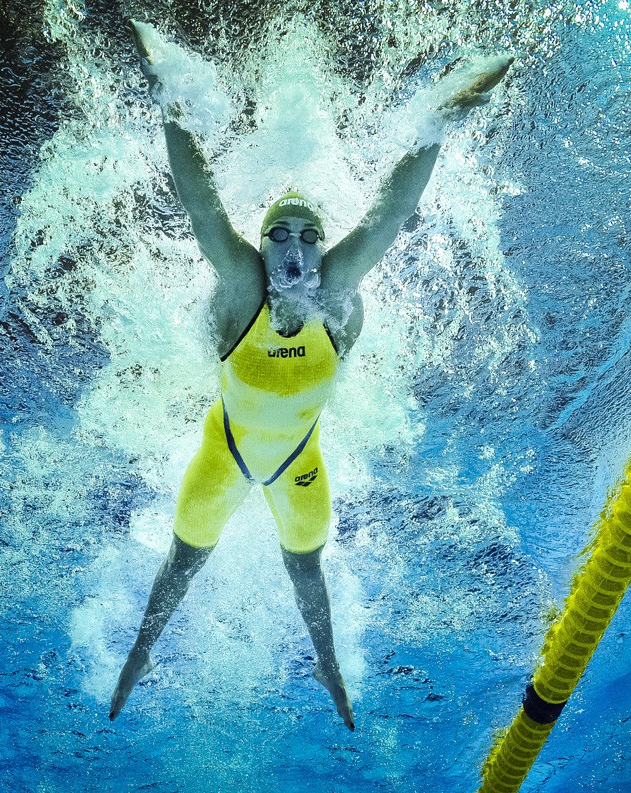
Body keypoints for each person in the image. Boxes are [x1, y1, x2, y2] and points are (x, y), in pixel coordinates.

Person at [110, 20, 513, 731]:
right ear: (261, 245)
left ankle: (328, 667)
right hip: (225, 455)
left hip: (300, 463)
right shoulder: (243, 292)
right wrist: (169, 96)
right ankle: (141, 652)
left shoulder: (336, 295)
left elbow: (391, 215)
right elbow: (203, 209)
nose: (294, 247)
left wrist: (439, 121)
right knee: (183, 562)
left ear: (323, 248)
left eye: (308, 234)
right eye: (279, 233)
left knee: (306, 571)